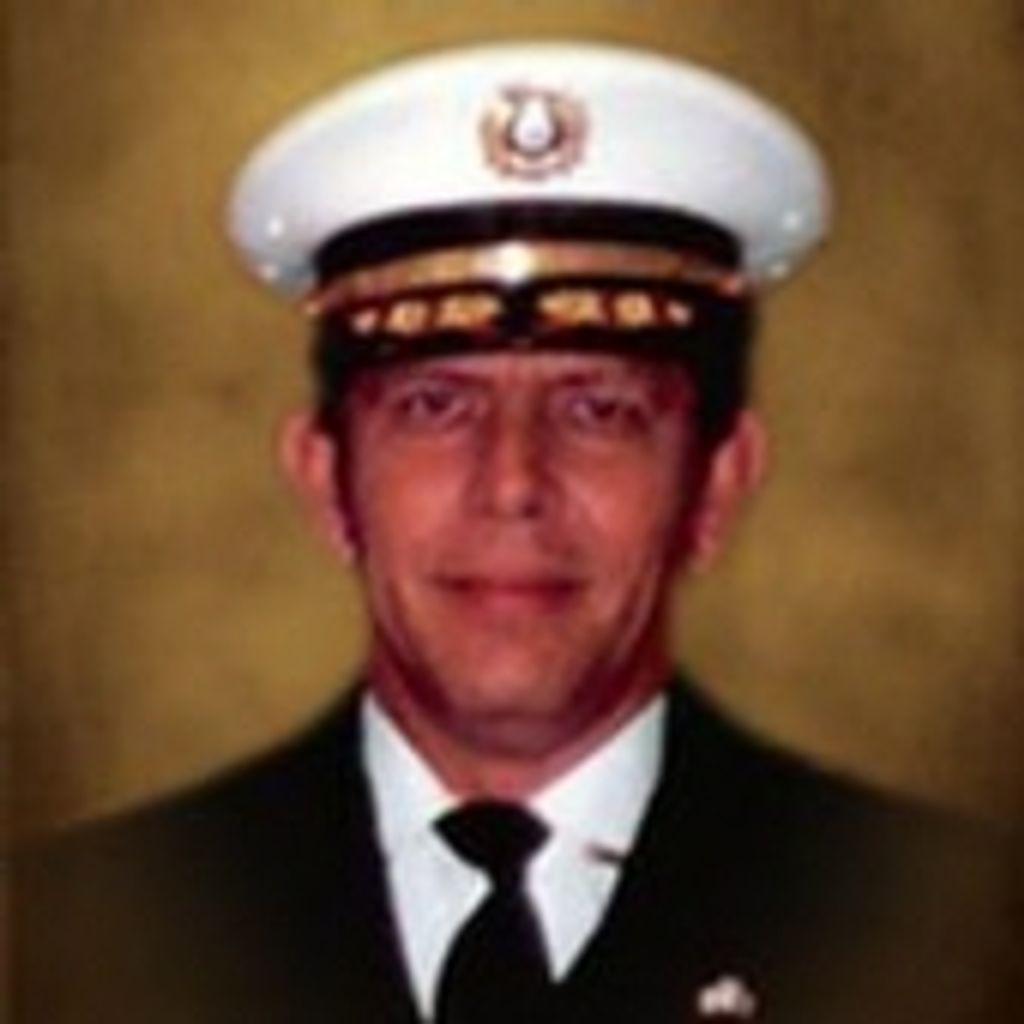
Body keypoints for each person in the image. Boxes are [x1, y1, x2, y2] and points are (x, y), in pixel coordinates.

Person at [15, 42, 1007, 1024]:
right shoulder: (71, 940)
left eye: (600, 410)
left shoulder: (960, 941)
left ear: (715, 485)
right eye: (434, 406)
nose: (513, 483)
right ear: (327, 484)